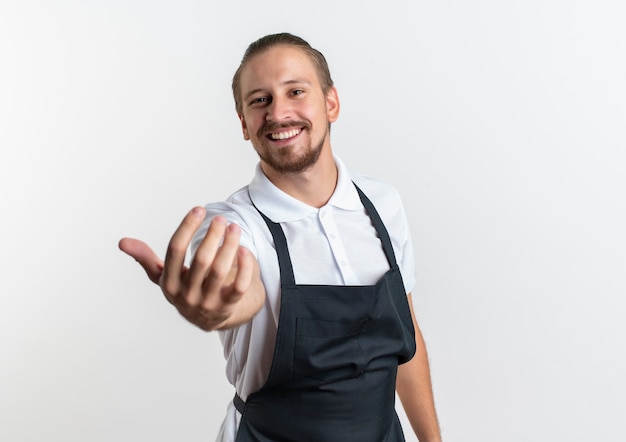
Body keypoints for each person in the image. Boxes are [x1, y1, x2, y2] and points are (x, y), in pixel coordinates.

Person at [119, 32, 442, 442]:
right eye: (260, 100)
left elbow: (405, 335)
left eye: (295, 91)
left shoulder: (383, 204)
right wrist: (219, 307)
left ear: (331, 103)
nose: (278, 112)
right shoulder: (234, 225)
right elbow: (242, 289)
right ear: (244, 124)